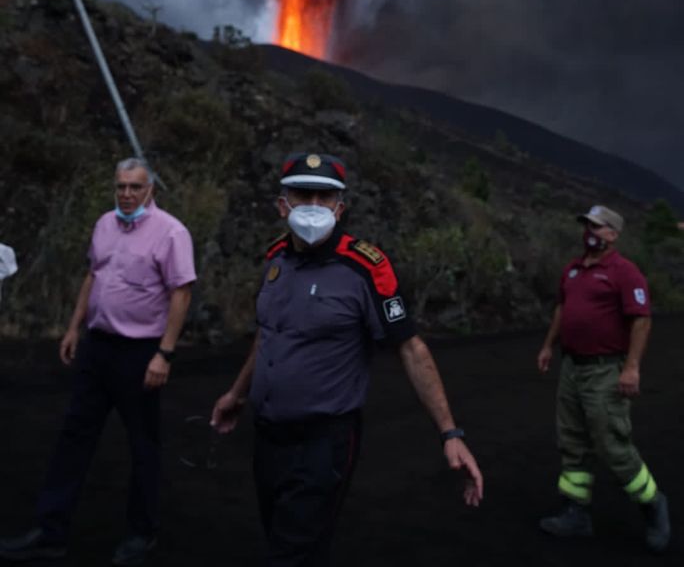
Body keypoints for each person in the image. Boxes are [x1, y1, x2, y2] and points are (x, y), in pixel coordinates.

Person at [211, 151, 483, 566]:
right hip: (267, 435)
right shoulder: (275, 260)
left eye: (325, 197)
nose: (314, 207)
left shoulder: (365, 268)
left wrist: (450, 433)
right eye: (304, 195)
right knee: (285, 536)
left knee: (291, 551)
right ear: (282, 203)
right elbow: (269, 333)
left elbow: (409, 347)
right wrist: (237, 392)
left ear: (342, 207)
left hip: (323, 441)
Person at [0, 158, 196, 567]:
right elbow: (93, 275)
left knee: (142, 444)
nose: (127, 194)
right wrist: (73, 327)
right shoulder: (105, 223)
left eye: (135, 187)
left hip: (140, 353)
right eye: (121, 186)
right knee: (74, 436)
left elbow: (181, 293)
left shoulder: (171, 233)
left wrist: (165, 353)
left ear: (151, 190)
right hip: (98, 346)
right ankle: (50, 532)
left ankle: (142, 534)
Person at [536, 203, 670, 552]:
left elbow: (641, 319)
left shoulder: (625, 272)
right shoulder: (573, 270)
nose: (589, 233)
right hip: (572, 368)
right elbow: (563, 309)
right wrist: (549, 345)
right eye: (587, 226)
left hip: (605, 370)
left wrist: (632, 367)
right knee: (572, 441)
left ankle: (653, 505)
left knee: (612, 442)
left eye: (597, 227)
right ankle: (576, 514)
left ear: (613, 234)